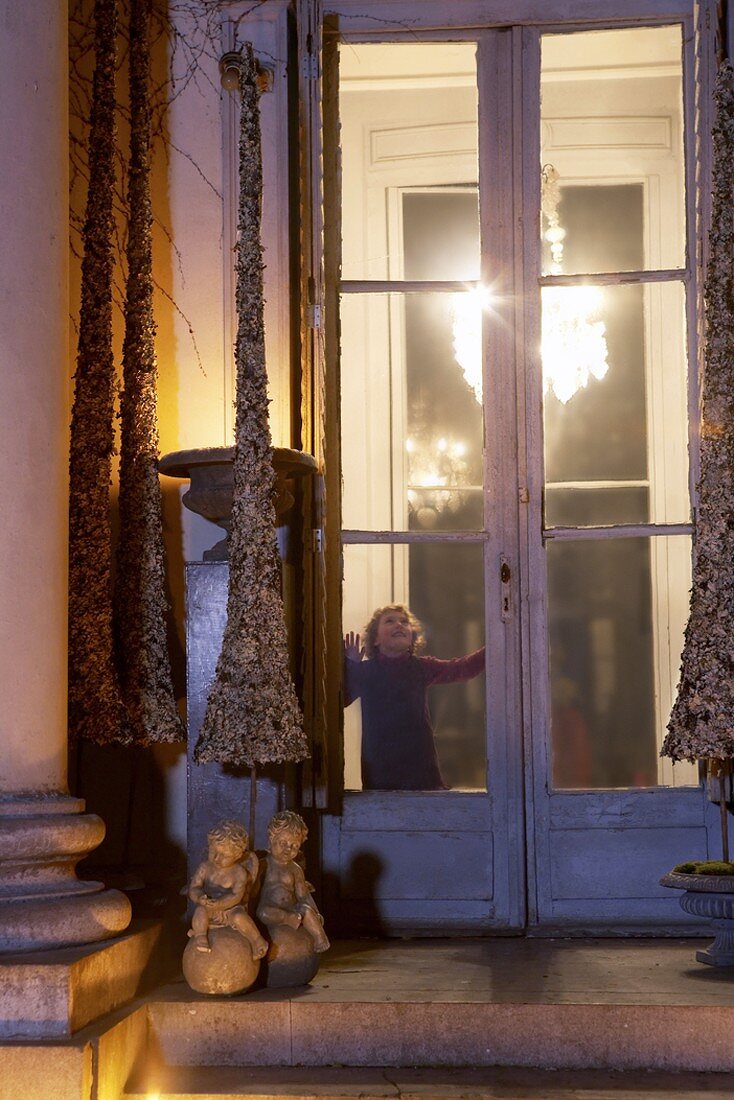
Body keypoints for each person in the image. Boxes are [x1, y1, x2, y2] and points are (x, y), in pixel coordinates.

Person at [344, 604, 485, 791]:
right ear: (375, 639)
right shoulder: (366, 671)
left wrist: (496, 640)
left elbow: (463, 669)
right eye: (390, 621)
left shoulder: (421, 667)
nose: (399, 625)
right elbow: (342, 700)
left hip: (422, 773)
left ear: (412, 638)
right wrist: (350, 666)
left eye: (404, 622)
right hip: (380, 776)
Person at [187, 820, 268, 957]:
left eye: (224, 855)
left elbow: (236, 896)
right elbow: (194, 887)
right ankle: (200, 937)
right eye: (213, 852)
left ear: (237, 855)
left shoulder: (239, 873)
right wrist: (200, 898)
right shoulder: (205, 868)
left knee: (240, 917)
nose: (217, 858)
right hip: (208, 908)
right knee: (200, 912)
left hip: (231, 909)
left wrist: (220, 904)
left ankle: (258, 941)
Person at [257, 811, 330, 953]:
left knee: (306, 910)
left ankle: (320, 938)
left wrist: (315, 913)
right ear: (271, 838)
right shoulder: (263, 865)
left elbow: (303, 895)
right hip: (270, 907)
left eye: (295, 846)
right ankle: (288, 919)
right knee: (263, 913)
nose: (288, 849)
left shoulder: (295, 869)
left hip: (292, 907)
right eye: (283, 843)